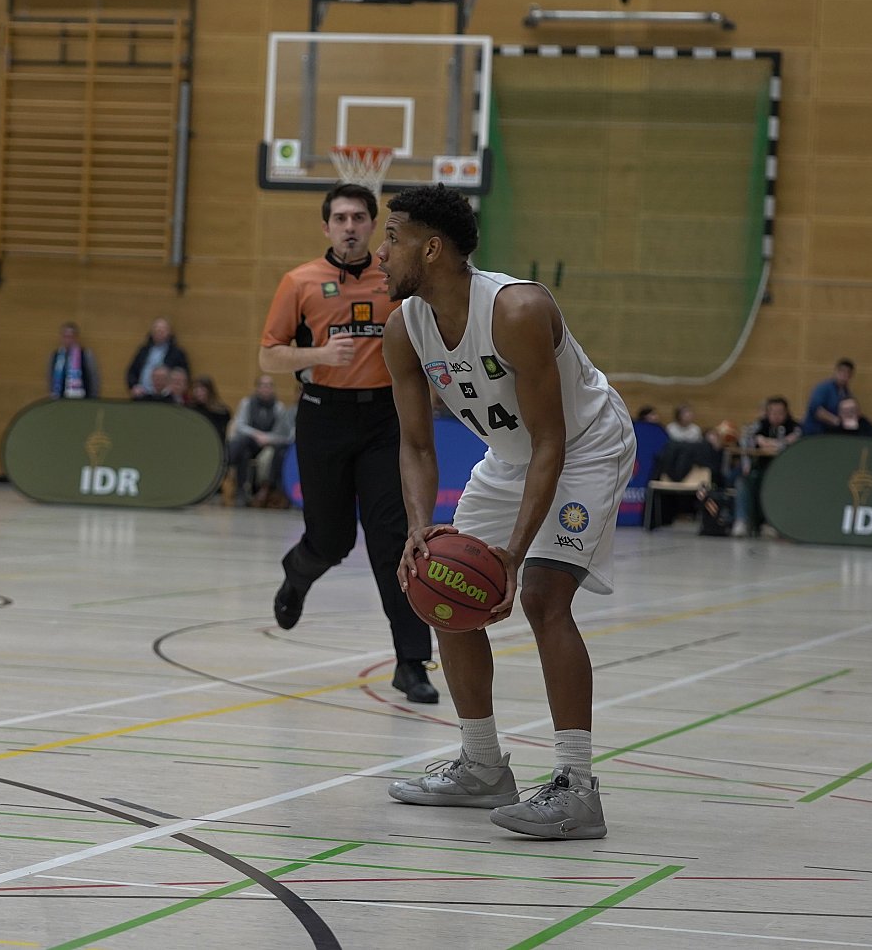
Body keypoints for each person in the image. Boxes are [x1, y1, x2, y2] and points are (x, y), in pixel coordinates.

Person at [378, 184, 635, 840]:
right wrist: (419, 528)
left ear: (431, 248)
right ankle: (483, 765)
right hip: (511, 456)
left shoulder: (516, 309)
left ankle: (577, 788)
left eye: (392, 237)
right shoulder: (404, 328)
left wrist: (514, 555)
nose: (381, 253)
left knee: (543, 596)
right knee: (438, 582)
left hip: (585, 446)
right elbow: (415, 445)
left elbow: (553, 441)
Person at [260, 182, 436, 704]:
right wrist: (315, 356)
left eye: (359, 217)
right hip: (323, 416)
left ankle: (411, 663)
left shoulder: (395, 279)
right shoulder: (299, 282)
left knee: (392, 540)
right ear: (326, 227)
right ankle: (297, 573)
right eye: (340, 218)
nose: (350, 226)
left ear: (373, 225)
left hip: (384, 418)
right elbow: (269, 355)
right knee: (332, 540)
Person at [731, 395, 800, 538]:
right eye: (772, 413)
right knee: (743, 482)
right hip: (761, 470)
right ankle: (742, 521)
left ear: (786, 413)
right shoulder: (759, 426)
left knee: (776, 485)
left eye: (780, 413)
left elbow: (791, 441)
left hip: (785, 473)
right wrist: (760, 441)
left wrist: (769, 442)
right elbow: (747, 441)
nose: (776, 416)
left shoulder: (794, 427)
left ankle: (771, 524)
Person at [225, 374, 293, 507]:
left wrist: (267, 438)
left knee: (271, 451)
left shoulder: (278, 407)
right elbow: (240, 425)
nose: (266, 389)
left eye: (269, 386)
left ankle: (225, 462)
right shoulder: (247, 403)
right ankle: (241, 492)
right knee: (243, 449)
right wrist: (256, 434)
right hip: (250, 441)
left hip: (269, 444)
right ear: (257, 388)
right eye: (263, 385)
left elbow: (283, 434)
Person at [126, 317, 189, 398]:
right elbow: (132, 371)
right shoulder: (144, 350)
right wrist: (134, 386)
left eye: (162, 331)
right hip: (143, 394)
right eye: (157, 331)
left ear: (169, 332)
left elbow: (184, 375)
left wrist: (173, 388)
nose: (159, 333)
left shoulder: (177, 353)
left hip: (166, 396)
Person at [48, 321, 99, 399]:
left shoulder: (86, 354)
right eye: (65, 336)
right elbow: (50, 379)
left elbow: (94, 379)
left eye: (70, 337)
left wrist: (93, 398)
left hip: (82, 400)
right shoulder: (55, 356)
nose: (67, 340)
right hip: (60, 400)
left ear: (76, 338)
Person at [802, 359, 854, 436]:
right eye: (842, 371)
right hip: (814, 432)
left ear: (851, 376)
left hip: (831, 432)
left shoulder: (846, 392)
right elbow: (817, 410)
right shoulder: (824, 388)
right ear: (836, 371)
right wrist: (837, 421)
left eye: (848, 372)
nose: (844, 375)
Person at [187, 374, 231, 441]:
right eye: (196, 388)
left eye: (202, 388)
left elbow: (223, 433)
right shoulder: (190, 409)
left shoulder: (221, 411)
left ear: (210, 390)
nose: (198, 391)